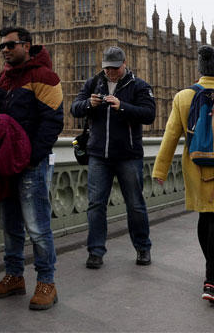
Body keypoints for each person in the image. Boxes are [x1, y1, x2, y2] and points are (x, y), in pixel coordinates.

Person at [153, 46, 214, 305]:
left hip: (195, 168)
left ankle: (211, 271)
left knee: (204, 217)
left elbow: (170, 137)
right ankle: (212, 279)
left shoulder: (183, 97)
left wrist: (160, 170)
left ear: (200, 70)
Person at [0, 27, 63, 311]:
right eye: (1, 46)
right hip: (5, 164)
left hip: (30, 165)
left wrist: (32, 157)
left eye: (10, 45)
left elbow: (53, 122)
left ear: (27, 46)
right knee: (11, 226)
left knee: (38, 228)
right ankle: (14, 276)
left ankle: (47, 282)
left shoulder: (45, 77)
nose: (5, 50)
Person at [70, 46, 156, 269]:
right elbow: (74, 108)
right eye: (107, 68)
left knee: (135, 205)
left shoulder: (139, 86)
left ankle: (143, 248)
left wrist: (122, 106)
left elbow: (149, 114)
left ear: (124, 65)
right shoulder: (93, 83)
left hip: (128, 155)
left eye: (114, 68)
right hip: (98, 155)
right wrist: (90, 103)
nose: (110, 72)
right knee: (95, 205)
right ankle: (96, 252)